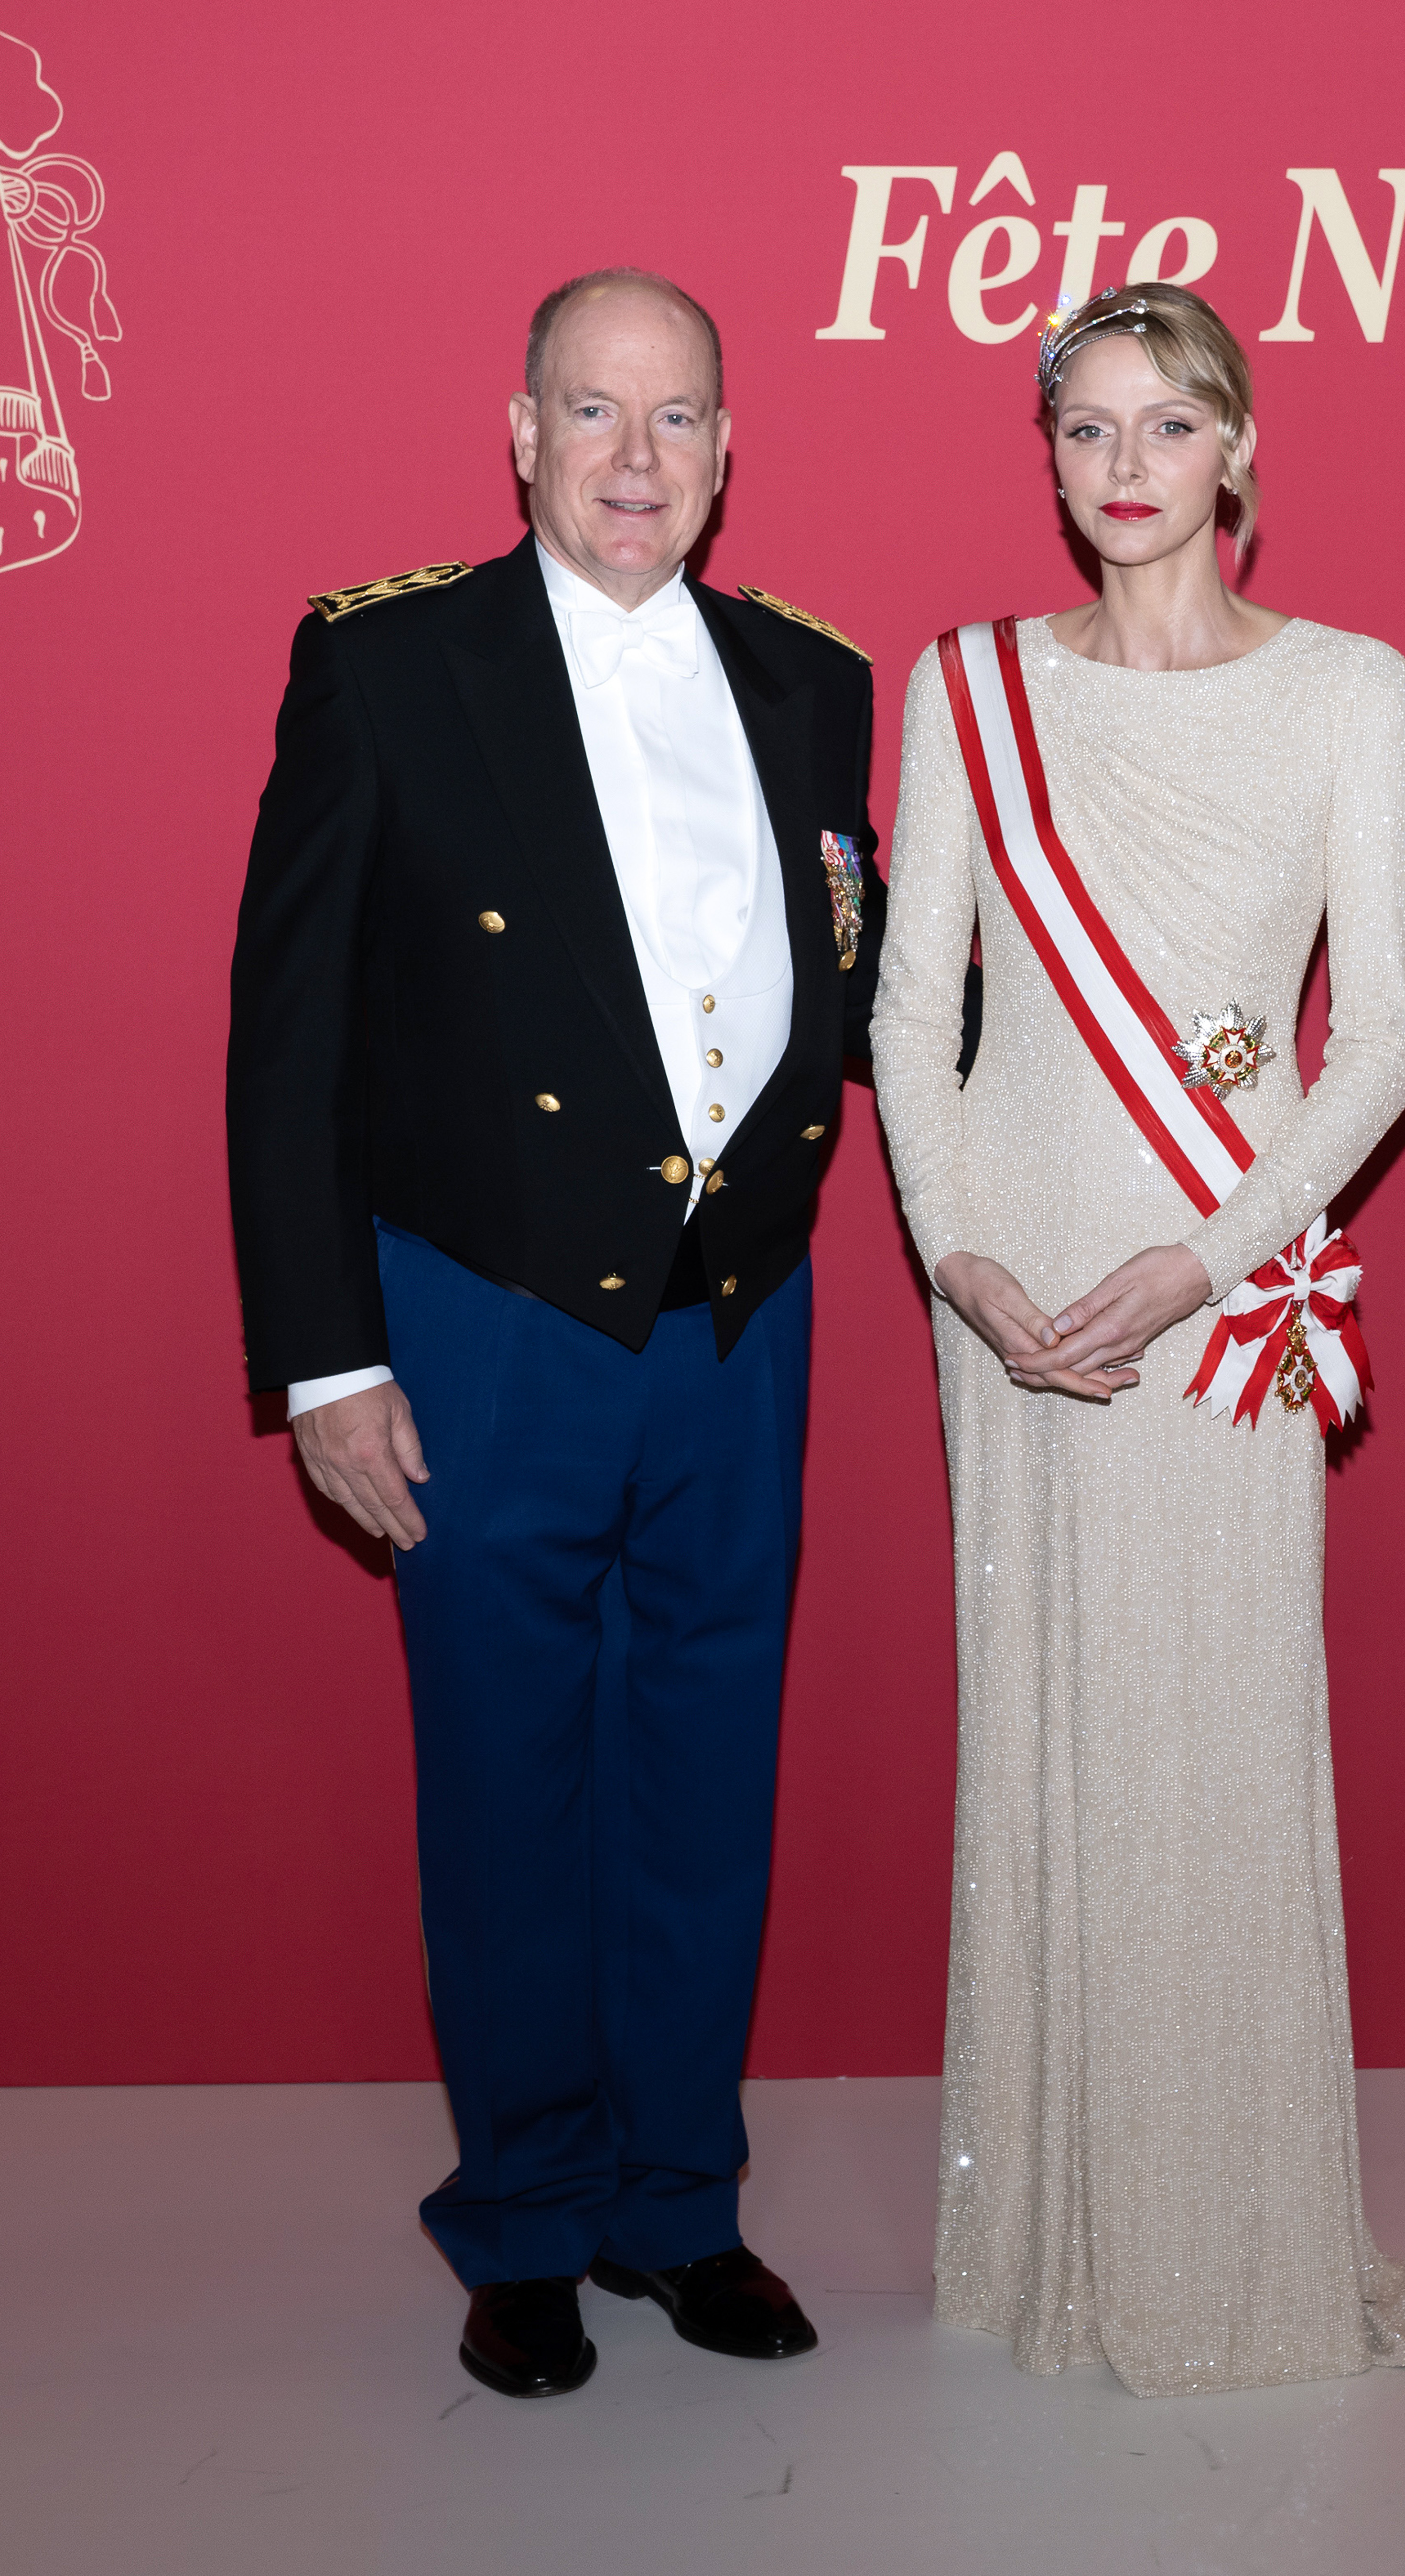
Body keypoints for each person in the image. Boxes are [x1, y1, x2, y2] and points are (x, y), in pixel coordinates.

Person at [227, 268, 913, 2399]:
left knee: (706, 1770)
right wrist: (330, 1360)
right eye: (596, 413)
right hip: (489, 1309)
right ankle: (525, 2217)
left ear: (729, 448)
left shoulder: (813, 680)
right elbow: (289, 1038)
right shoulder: (389, 662)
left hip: (736, 1315)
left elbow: (861, 995)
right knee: (512, 1780)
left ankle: (676, 2203)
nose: (638, 459)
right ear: (520, 432)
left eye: (681, 418)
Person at [871, 283, 1405, 2397]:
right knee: (1040, 1723)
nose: (1122, 465)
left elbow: (1380, 1043)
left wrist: (1219, 1253)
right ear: (1044, 458)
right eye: (1082, 429)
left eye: (1166, 424)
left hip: (1218, 1295)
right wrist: (959, 1259)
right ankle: (1043, 2221)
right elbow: (913, 1017)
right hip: (1020, 1288)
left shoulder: (1354, 693)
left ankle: (1222, 2234)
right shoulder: (964, 688)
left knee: (1210, 1738)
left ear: (1239, 446)